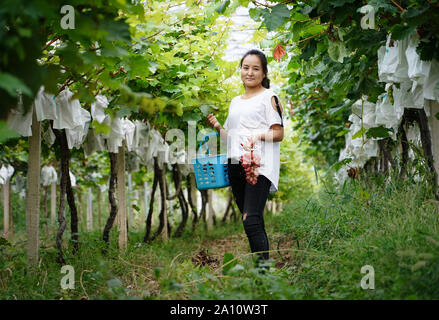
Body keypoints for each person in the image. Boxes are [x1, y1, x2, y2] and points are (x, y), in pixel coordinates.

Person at [206, 49, 284, 269]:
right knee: (249, 220)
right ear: (240, 69)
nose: (249, 72)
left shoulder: (269, 97)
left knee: (251, 219)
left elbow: (278, 133)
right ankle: (262, 273)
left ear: (264, 72)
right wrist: (218, 127)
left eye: (255, 68)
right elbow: (233, 137)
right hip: (235, 164)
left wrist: (257, 135)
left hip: (258, 165)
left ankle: (264, 275)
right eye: (246, 67)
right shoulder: (235, 102)